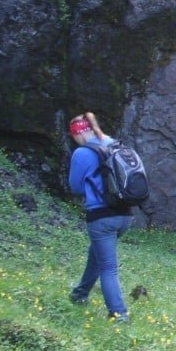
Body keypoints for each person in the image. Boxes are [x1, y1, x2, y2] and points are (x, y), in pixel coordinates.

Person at [66, 112, 134, 322]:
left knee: (108, 268)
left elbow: (76, 187)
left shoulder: (82, 153)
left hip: (102, 217)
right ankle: (80, 293)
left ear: (77, 133)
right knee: (96, 253)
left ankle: (119, 314)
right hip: (125, 214)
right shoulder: (113, 144)